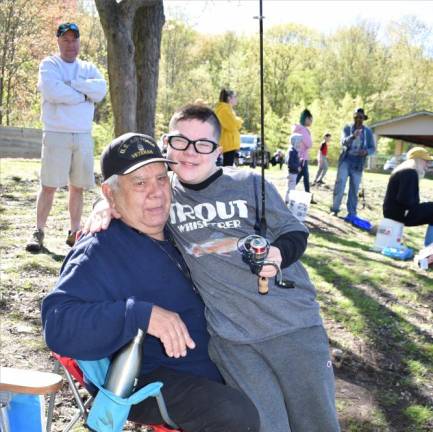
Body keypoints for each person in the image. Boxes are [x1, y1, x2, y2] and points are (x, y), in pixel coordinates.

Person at [88, 105, 340, 432]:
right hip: (234, 341)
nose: (191, 152)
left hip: (293, 327)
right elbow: (125, 192)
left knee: (317, 423)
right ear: (166, 142)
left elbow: (295, 231)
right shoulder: (164, 196)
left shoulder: (250, 182)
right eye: (181, 142)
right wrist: (101, 205)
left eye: (203, 144)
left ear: (219, 151)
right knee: (266, 425)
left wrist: (276, 254)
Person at [41, 133, 260, 432]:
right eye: (140, 183)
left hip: (223, 358)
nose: (156, 192)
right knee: (236, 414)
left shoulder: (180, 227)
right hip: (153, 379)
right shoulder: (100, 248)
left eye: (161, 179)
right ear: (110, 193)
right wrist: (140, 315)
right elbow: (58, 323)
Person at [26, 22, 107, 252]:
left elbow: (100, 91)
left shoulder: (88, 68)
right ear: (58, 41)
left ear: (79, 41)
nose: (70, 44)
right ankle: (39, 231)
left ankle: (74, 233)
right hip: (56, 133)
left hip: (82, 135)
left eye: (74, 40)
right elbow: (52, 91)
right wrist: (83, 94)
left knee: (78, 187)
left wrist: (71, 85)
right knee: (49, 185)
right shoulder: (50, 64)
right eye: (65, 40)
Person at [383, 146, 433, 247]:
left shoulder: (403, 170)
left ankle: (429, 246)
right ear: (418, 160)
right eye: (425, 161)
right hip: (400, 213)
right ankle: (429, 247)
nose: (427, 164)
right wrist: (421, 206)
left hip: (393, 211)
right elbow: (405, 199)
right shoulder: (410, 173)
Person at [330, 108, 375, 217]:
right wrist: (353, 136)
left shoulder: (367, 132)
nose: (358, 119)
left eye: (361, 117)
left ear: (363, 119)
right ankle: (335, 209)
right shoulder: (347, 128)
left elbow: (372, 148)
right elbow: (343, 142)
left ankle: (352, 212)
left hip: (358, 164)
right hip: (346, 160)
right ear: (354, 117)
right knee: (340, 184)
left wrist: (365, 151)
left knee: (354, 188)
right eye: (356, 117)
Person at [214, 88, 243, 166]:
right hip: (227, 145)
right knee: (227, 168)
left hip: (230, 144)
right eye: (235, 96)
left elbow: (232, 123)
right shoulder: (223, 109)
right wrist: (239, 121)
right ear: (229, 98)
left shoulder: (227, 109)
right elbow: (231, 125)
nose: (236, 99)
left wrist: (236, 121)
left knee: (229, 168)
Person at [293, 109, 313, 193]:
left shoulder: (297, 129)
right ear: (306, 119)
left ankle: (307, 194)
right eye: (311, 120)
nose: (311, 122)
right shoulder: (303, 130)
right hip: (302, 158)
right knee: (301, 177)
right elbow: (309, 144)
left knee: (304, 176)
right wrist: (309, 134)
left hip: (298, 156)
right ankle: (289, 193)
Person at [284, 133, 303, 204]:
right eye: (299, 142)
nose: (300, 144)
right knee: (291, 187)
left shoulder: (295, 151)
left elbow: (294, 161)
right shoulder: (292, 151)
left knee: (291, 187)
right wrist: (297, 167)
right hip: (292, 172)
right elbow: (290, 163)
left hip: (294, 172)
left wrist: (299, 163)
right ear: (295, 142)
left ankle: (287, 200)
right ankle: (287, 201)